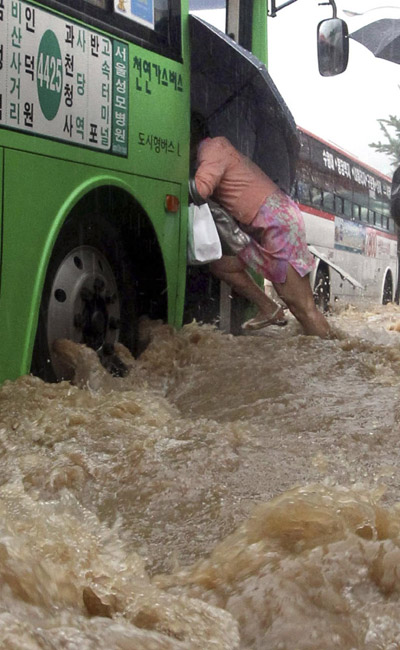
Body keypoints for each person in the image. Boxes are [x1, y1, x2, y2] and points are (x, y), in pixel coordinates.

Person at [193, 134, 330, 337]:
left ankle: (332, 359)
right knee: (221, 266)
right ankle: (268, 307)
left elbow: (200, 189)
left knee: (303, 308)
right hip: (265, 227)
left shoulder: (213, 149)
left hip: (278, 225)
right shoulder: (215, 150)